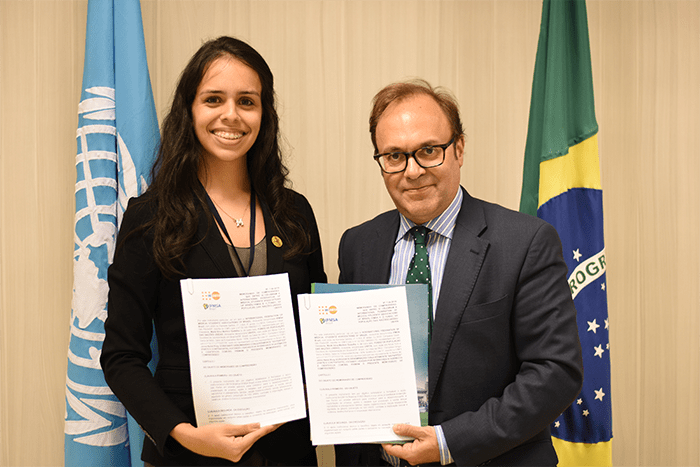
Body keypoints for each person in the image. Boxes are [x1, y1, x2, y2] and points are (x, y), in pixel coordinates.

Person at [101, 36, 326, 466]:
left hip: (288, 452)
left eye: (247, 101)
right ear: (190, 109)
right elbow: (121, 356)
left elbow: (318, 336)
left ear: (264, 114)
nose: (231, 115)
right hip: (189, 454)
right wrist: (185, 435)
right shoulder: (152, 217)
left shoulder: (294, 212)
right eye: (213, 99)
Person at [335, 80, 583, 467]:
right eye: (394, 156)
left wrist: (449, 442)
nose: (412, 171)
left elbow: (556, 373)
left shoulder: (525, 242)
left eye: (429, 151)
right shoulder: (358, 245)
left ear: (460, 148)